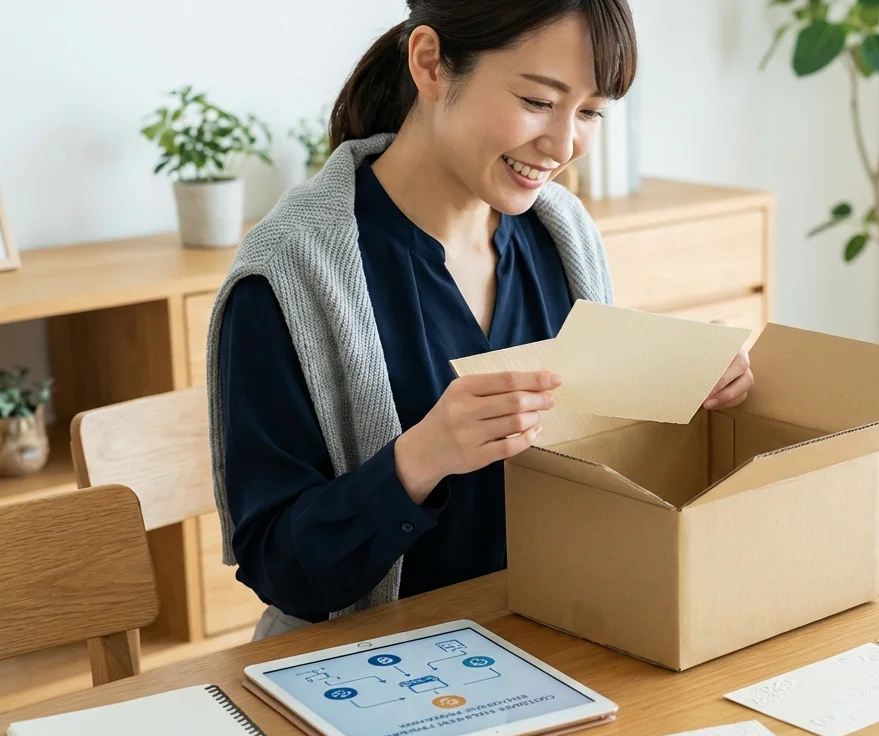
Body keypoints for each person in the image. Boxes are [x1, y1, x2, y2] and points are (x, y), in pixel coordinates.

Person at [206, 0, 755, 641]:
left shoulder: (562, 235)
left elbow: (593, 461)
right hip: (365, 659)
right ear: (431, 64)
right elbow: (281, 569)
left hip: (548, 631)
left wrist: (686, 388)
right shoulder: (289, 275)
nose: (564, 146)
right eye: (538, 101)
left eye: (590, 112)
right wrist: (421, 458)